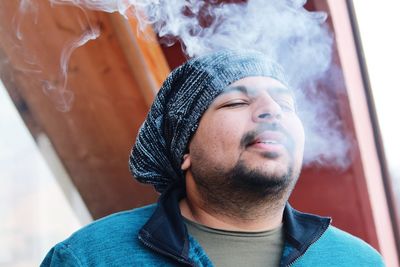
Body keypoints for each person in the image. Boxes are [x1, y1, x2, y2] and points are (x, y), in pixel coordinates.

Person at [41, 49, 385, 266]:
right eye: (236, 102)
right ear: (184, 150)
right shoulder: (89, 258)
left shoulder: (359, 261)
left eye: (285, 105)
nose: (271, 111)